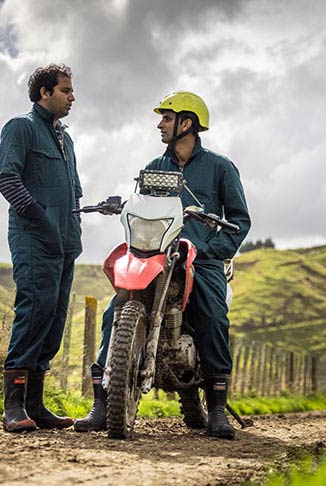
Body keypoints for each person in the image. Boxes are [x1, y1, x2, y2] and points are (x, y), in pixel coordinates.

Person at [74, 91, 250, 439]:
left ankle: (216, 409)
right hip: (153, 255)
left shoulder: (221, 167)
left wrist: (213, 250)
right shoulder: (155, 167)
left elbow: (240, 220)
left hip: (201, 260)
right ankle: (102, 401)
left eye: (167, 118)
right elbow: (141, 207)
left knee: (213, 315)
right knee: (115, 310)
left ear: (187, 123)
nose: (160, 124)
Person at [0, 64, 82, 433]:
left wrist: (74, 226)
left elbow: (74, 190)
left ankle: (35, 404)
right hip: (34, 239)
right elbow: (6, 178)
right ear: (44, 93)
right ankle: (13, 406)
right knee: (34, 311)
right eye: (65, 90)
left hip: (66, 243)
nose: (72, 96)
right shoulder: (21, 128)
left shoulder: (66, 138)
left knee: (55, 317)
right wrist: (40, 217)